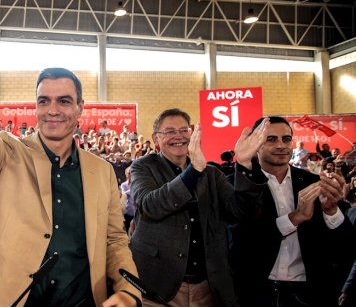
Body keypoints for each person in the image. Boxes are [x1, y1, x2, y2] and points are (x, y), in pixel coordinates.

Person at [0, 0, 141, 305]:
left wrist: (129, 290)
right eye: (44, 101)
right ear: (36, 107)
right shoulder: (8, 154)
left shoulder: (101, 172)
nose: (53, 109)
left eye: (64, 101)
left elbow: (115, 240)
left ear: (80, 108)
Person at [130, 108, 269, 306]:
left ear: (192, 133)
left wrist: (245, 164)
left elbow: (242, 211)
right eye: (169, 131)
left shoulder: (211, 173)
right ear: (155, 139)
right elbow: (149, 206)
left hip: (207, 287)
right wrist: (192, 172)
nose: (178, 136)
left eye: (183, 130)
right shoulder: (143, 167)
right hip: (157, 286)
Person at [229, 116, 355, 307]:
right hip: (255, 292)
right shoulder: (238, 185)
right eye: (271, 139)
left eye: (286, 139)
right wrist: (294, 218)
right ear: (256, 144)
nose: (281, 145)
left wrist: (331, 211)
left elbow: (345, 246)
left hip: (309, 293)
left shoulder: (315, 183)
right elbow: (241, 238)